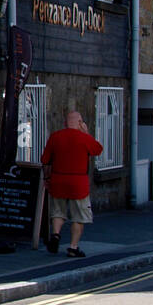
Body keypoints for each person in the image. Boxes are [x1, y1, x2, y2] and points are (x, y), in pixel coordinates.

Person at [40, 110, 103, 258]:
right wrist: (87, 133)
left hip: (58, 179)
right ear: (80, 123)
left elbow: (45, 160)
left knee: (57, 212)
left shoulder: (55, 137)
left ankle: (55, 235)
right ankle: (73, 248)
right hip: (78, 182)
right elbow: (97, 150)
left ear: (65, 122)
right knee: (79, 216)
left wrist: (47, 179)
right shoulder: (83, 138)